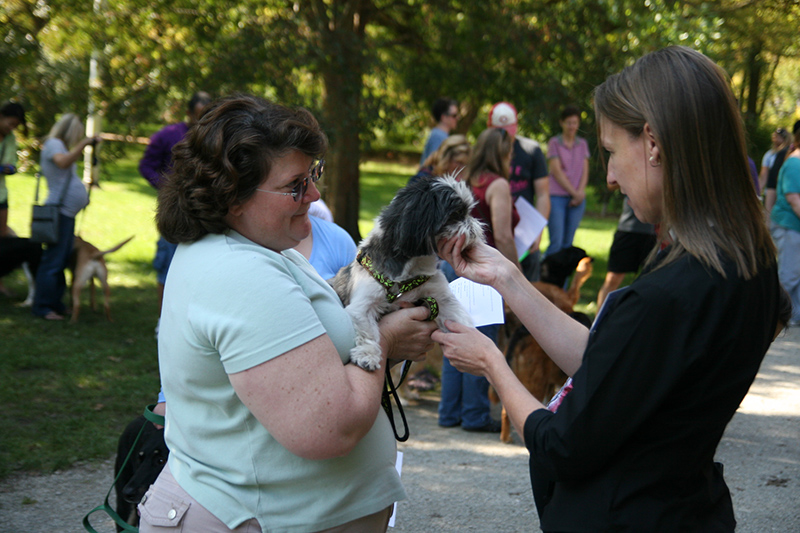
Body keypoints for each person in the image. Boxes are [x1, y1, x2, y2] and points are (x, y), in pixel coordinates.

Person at [433, 46, 781, 531]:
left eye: (613, 152)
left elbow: (562, 445)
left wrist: (492, 362)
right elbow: (616, 364)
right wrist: (507, 277)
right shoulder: (745, 268)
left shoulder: (664, 297)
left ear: (654, 142)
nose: (611, 177)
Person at [140, 94, 437, 532]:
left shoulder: (250, 248)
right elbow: (328, 428)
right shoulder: (240, 275)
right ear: (233, 197)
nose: (315, 195)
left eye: (312, 174)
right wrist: (385, 338)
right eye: (295, 184)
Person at [437, 127, 518, 433]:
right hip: (480, 268)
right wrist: (514, 274)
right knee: (481, 340)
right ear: (502, 153)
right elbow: (504, 234)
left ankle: (449, 412)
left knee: (453, 336)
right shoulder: (498, 185)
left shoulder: (464, 180)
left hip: (452, 264)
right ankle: (474, 414)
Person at [139, 91, 212, 320]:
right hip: (176, 211)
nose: (200, 122)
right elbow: (146, 166)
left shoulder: (214, 137)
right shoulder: (169, 135)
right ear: (188, 113)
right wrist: (168, 187)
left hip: (205, 212)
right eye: (197, 116)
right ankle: (164, 321)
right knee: (168, 264)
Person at [32, 114, 97, 320]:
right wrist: (85, 143)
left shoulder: (59, 145)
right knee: (53, 261)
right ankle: (43, 307)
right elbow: (62, 163)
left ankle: (55, 303)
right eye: (77, 135)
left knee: (60, 260)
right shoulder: (54, 144)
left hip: (65, 214)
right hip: (58, 212)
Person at [487, 101, 550, 281]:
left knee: (529, 284)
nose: (506, 138)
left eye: (509, 131)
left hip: (524, 229)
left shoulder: (532, 151)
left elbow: (543, 194)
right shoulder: (483, 153)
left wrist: (538, 232)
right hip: (492, 232)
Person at [595, 194, 657, 309]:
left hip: (653, 233)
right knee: (613, 278)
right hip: (628, 230)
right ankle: (598, 322)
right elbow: (611, 184)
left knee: (652, 281)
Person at [545, 105, 590, 259]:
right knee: (556, 243)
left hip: (577, 199)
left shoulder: (582, 144)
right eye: (569, 122)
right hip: (557, 196)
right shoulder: (554, 143)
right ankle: (545, 279)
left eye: (575, 123)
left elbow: (585, 170)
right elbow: (556, 172)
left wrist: (580, 193)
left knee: (568, 245)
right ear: (562, 123)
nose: (572, 126)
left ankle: (562, 283)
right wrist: (574, 193)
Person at [770, 124, 800, 327]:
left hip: (793, 226)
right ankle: (773, 319)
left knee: (795, 275)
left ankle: (792, 317)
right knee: (788, 276)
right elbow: (793, 198)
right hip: (788, 224)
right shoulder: (795, 162)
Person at [0, 101, 28, 238]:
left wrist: (10, 168)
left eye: (15, 126)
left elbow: (10, 162)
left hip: (1, 194)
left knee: (3, 232)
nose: (12, 128)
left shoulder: (10, 138)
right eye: (10, 123)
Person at [765, 121, 799, 215]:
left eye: (778, 136)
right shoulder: (788, 157)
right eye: (774, 136)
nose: (775, 138)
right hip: (786, 220)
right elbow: (771, 183)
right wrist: (768, 214)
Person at [419, 97, 458, 166]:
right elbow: (434, 165)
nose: (457, 118)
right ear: (443, 117)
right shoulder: (439, 136)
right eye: (454, 115)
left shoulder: (440, 135)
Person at [758, 127, 789, 194]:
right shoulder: (769, 155)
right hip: (771, 190)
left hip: (785, 191)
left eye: (779, 136)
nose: (775, 139)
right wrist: (758, 191)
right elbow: (763, 176)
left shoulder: (790, 154)